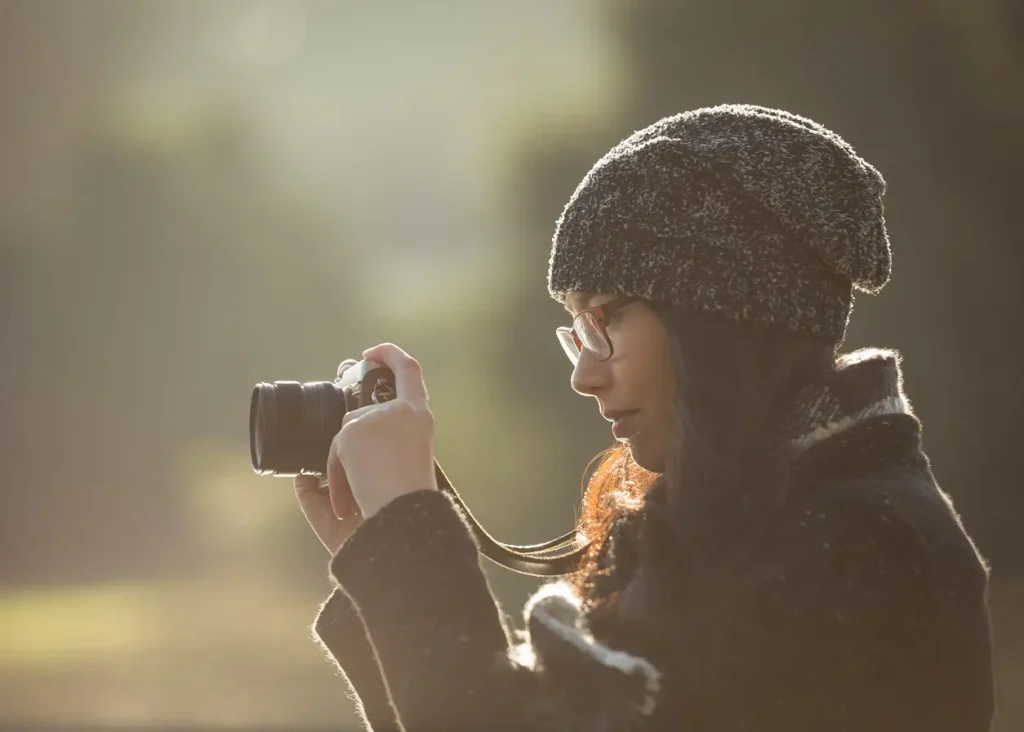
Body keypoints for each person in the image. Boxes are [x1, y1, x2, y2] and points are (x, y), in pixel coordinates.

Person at [294, 104, 995, 731]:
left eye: (605, 320)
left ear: (718, 308)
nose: (583, 374)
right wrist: (378, 551)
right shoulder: (764, 519)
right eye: (575, 332)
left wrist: (407, 534)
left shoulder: (859, 550)